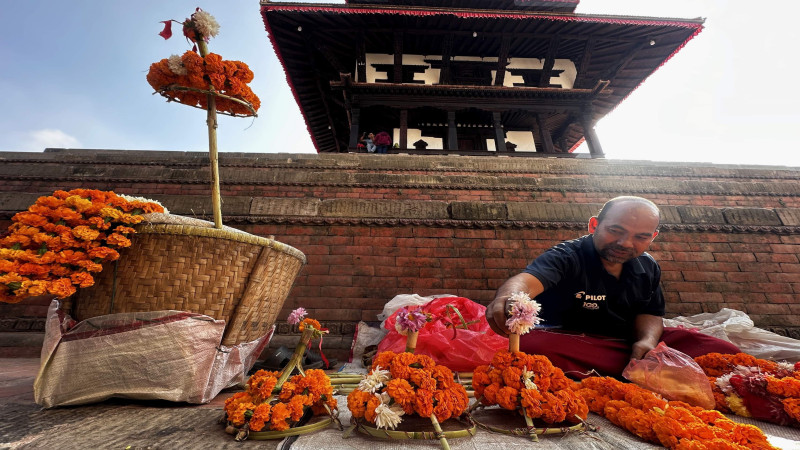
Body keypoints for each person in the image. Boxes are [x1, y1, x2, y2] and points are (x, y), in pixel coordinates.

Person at [485, 196, 740, 378]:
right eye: (615, 230)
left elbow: (651, 313)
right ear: (594, 225)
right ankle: (644, 373)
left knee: (722, 351)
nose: (625, 243)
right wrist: (507, 298)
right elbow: (526, 281)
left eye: (640, 237)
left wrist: (647, 342)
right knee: (533, 348)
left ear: (653, 237)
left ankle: (636, 367)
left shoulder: (647, 266)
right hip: (570, 340)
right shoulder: (567, 256)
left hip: (626, 344)